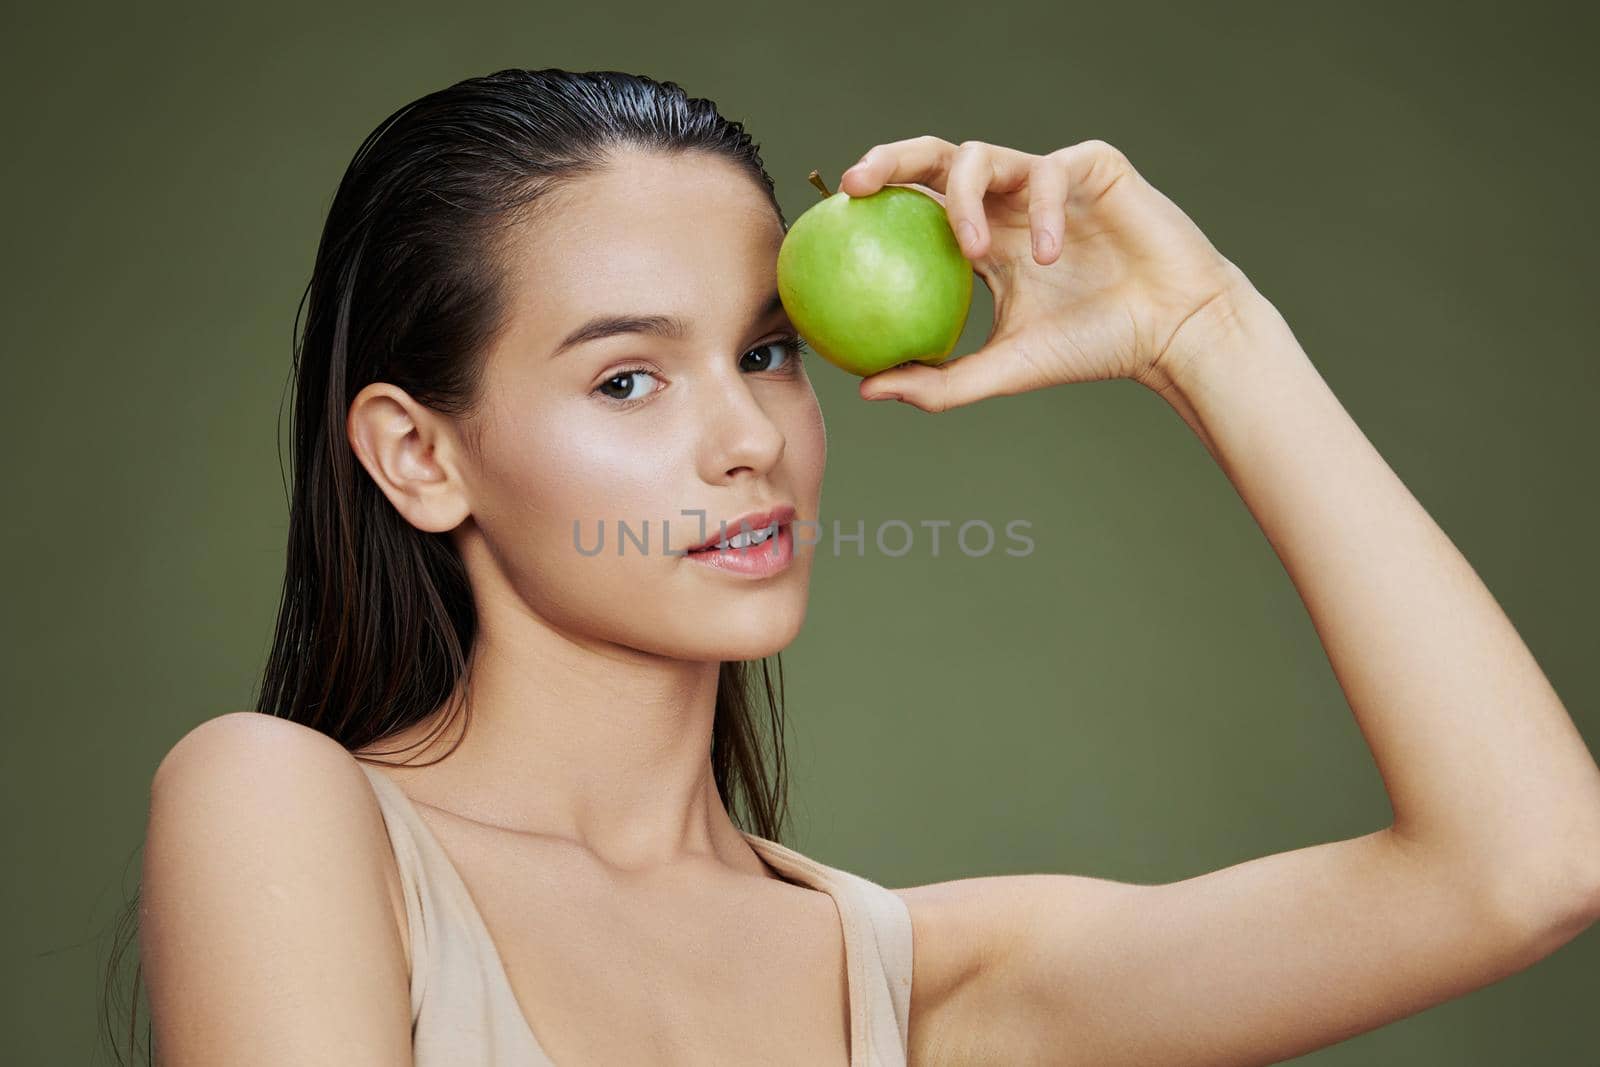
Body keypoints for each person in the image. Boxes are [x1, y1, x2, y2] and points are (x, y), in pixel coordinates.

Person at [121, 68, 1600, 1065]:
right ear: (418, 456)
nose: (746, 441)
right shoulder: (281, 807)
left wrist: (1203, 332)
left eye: (766, 353)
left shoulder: (911, 981)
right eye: (627, 380)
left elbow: (1527, 866)